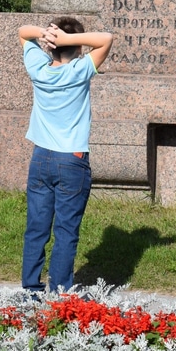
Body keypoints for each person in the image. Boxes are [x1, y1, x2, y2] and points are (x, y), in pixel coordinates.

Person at [18, 17, 113, 292]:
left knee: (36, 228)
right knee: (65, 232)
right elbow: (106, 39)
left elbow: (23, 33)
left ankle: (31, 290)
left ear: (49, 47)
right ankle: (59, 292)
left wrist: (47, 35)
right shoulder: (80, 70)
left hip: (41, 157)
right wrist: (68, 39)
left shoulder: (38, 68)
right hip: (72, 159)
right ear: (78, 48)